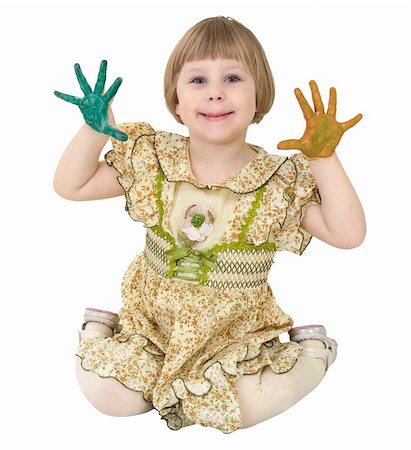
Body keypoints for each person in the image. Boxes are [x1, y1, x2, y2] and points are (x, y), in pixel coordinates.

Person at [53, 16, 366, 434]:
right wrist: (94, 130)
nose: (215, 92)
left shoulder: (275, 182)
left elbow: (348, 234)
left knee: (244, 407)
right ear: (176, 101)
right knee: (110, 400)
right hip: (154, 329)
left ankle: (312, 352)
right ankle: (98, 333)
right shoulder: (156, 162)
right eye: (198, 80)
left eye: (233, 77)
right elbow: (72, 186)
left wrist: (324, 160)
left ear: (260, 98)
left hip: (234, 335)